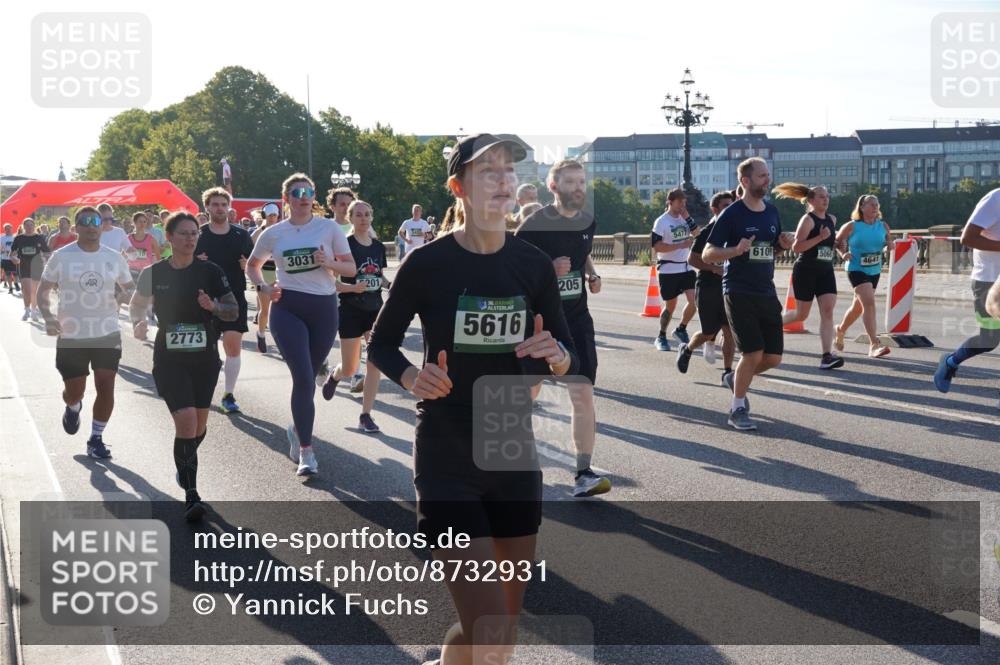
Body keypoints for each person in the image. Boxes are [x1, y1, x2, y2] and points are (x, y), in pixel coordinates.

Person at [368, 134, 577, 665]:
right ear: (458, 186)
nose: (503, 179)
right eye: (488, 171)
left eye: (508, 170)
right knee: (486, 628)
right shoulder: (427, 264)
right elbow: (381, 342)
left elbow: (565, 352)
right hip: (446, 446)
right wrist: (412, 375)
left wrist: (555, 355)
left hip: (510, 439)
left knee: (500, 637)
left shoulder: (531, 265)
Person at [130, 212, 240, 521]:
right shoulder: (154, 272)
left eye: (194, 233)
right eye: (184, 234)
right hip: (169, 359)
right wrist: (138, 321)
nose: (191, 238)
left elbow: (232, 311)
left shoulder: (210, 271)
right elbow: (136, 304)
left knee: (198, 428)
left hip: (204, 359)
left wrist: (214, 307)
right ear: (169, 237)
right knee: (188, 422)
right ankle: (192, 495)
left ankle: (184, 462)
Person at [246, 174, 355, 476]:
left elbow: (351, 268)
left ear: (314, 196)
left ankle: (296, 428)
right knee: (305, 379)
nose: (303, 197)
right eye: (297, 192)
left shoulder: (329, 228)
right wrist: (264, 288)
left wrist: (329, 263)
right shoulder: (275, 233)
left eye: (308, 192)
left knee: (309, 377)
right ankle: (307, 451)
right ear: (287, 198)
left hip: (323, 309)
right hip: (288, 308)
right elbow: (253, 266)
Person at [516, 159, 611, 498]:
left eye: (582, 181)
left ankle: (583, 472)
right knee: (528, 393)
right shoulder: (535, 224)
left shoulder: (588, 221)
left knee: (582, 393)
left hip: (576, 320)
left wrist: (591, 274)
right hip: (539, 324)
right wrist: (547, 269)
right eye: (571, 182)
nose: (579, 188)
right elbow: (512, 270)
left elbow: (582, 253)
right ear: (553, 187)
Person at [703, 157, 795, 431]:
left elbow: (772, 249)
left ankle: (737, 378)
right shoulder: (731, 214)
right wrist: (734, 250)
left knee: (774, 358)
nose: (767, 180)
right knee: (753, 353)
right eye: (761, 176)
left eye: (768, 175)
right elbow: (708, 253)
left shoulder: (772, 212)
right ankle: (737, 407)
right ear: (745, 181)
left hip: (766, 291)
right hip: (738, 291)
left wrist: (782, 245)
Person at [37, 207, 135, 459]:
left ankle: (96, 438)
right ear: (76, 227)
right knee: (75, 390)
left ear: (102, 226)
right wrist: (48, 317)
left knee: (106, 386)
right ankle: (73, 406)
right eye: (86, 222)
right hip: (72, 336)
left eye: (97, 222)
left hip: (107, 332)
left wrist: (123, 297)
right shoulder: (62, 256)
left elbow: (129, 286)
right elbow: (44, 289)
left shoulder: (114, 257)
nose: (92, 226)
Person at [321, 200, 389, 434]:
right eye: (358, 214)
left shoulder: (379, 247)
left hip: (374, 310)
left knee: (374, 361)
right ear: (350, 218)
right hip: (350, 309)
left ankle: (366, 415)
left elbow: (378, 275)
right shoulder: (345, 246)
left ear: (372, 217)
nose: (363, 218)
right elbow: (330, 281)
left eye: (367, 214)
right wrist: (352, 288)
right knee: (351, 368)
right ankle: (337, 374)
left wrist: (391, 284)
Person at [934, 187, 1000, 400]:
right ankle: (951, 361)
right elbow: (967, 238)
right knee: (989, 339)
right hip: (989, 281)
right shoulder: (995, 199)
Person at [195, 187, 255, 414]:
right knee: (207, 352)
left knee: (233, 347)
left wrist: (246, 267)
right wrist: (195, 261)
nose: (219, 208)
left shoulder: (241, 235)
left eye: (223, 204)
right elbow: (183, 262)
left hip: (233, 298)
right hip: (204, 299)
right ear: (207, 207)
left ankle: (228, 394)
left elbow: (254, 264)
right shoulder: (198, 234)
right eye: (215, 204)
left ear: (228, 207)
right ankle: (202, 388)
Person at [773, 183, 844, 369]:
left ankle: (826, 356)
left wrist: (837, 245)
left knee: (827, 311)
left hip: (826, 271)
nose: (825, 199)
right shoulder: (808, 220)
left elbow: (828, 243)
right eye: (821, 196)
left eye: (827, 196)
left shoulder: (832, 219)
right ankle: (771, 326)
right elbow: (797, 247)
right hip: (806, 270)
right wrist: (820, 238)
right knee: (800, 314)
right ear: (811, 201)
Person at [676, 191, 738, 379]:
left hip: (729, 288)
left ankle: (728, 372)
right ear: (715, 209)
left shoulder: (736, 230)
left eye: (732, 205)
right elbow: (692, 259)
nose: (730, 209)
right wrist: (713, 268)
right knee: (708, 331)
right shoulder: (707, 232)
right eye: (726, 206)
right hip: (708, 287)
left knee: (729, 332)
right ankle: (687, 349)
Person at [834, 194, 892, 359]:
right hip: (856, 268)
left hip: (874, 270)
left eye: (877, 205)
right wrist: (843, 253)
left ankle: (840, 329)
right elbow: (837, 242)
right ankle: (874, 344)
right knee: (869, 303)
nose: (875, 207)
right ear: (862, 207)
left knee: (858, 307)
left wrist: (889, 246)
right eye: (871, 205)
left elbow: (888, 243)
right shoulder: (852, 226)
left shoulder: (883, 226)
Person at [651, 187, 700, 351]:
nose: (682, 206)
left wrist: (688, 218)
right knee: (670, 306)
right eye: (680, 202)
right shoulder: (661, 221)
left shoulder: (684, 218)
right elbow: (657, 246)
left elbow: (698, 234)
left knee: (695, 302)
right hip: (668, 270)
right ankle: (661, 335)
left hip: (687, 267)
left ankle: (681, 328)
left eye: (684, 202)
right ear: (670, 202)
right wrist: (679, 245)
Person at [251, 202, 283, 353]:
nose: (272, 218)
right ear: (264, 216)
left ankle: (282, 340)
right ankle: (261, 334)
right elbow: (250, 241)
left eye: (274, 215)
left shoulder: (283, 230)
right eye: (269, 215)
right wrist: (263, 227)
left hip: (279, 273)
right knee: (265, 310)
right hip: (263, 272)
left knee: (281, 309)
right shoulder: (260, 231)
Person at [10, 218, 51, 321]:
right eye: (27, 225)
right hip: (23, 265)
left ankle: (33, 311)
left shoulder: (39, 238)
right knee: (26, 290)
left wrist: (47, 260)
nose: (29, 227)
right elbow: (12, 254)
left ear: (34, 226)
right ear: (23, 226)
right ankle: (27, 310)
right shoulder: (19, 238)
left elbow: (47, 252)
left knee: (34, 291)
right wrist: (14, 259)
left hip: (37, 266)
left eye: (31, 225)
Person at [128, 212, 161, 279]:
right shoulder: (128, 238)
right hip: (132, 271)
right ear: (134, 222)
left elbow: (158, 255)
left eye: (144, 221)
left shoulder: (150, 238)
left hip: (146, 271)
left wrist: (159, 270)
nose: (142, 224)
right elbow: (123, 254)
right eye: (140, 221)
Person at [1, 224, 20, 294]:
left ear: (12, 229)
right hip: (5, 258)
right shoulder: (1, 238)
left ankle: (16, 283)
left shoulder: (15, 237)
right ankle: (10, 288)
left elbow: (18, 248)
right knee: (8, 274)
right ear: (4, 229)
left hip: (14, 258)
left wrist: (15, 253)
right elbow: (0, 249)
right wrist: (3, 251)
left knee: (16, 274)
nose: (8, 230)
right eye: (6, 229)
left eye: (9, 228)